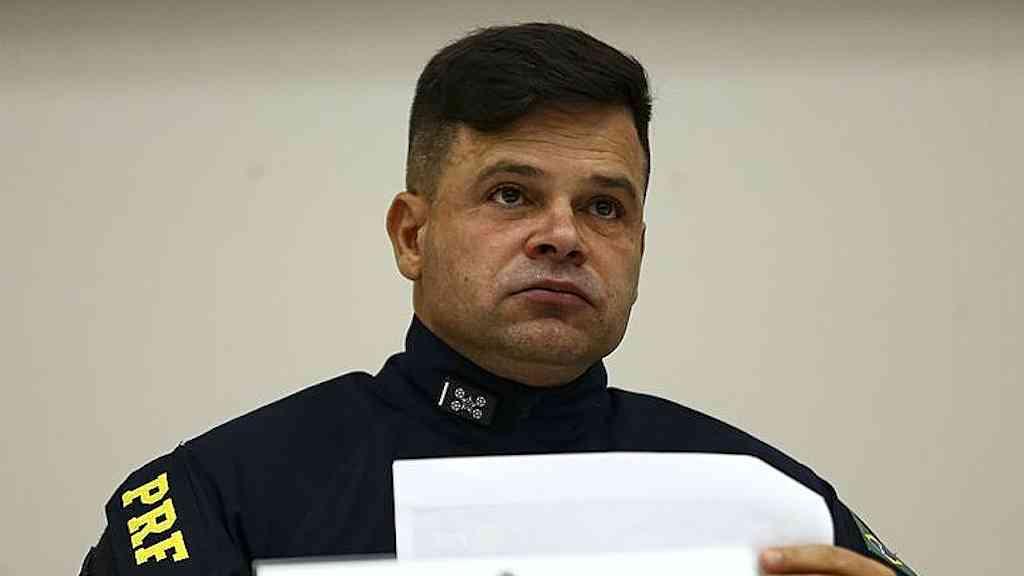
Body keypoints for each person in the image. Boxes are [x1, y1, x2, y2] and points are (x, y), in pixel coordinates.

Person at [79, 22, 918, 576]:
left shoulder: (767, 505)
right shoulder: (217, 499)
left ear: (639, 245)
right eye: (511, 195)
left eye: (604, 207)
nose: (564, 235)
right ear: (413, 235)